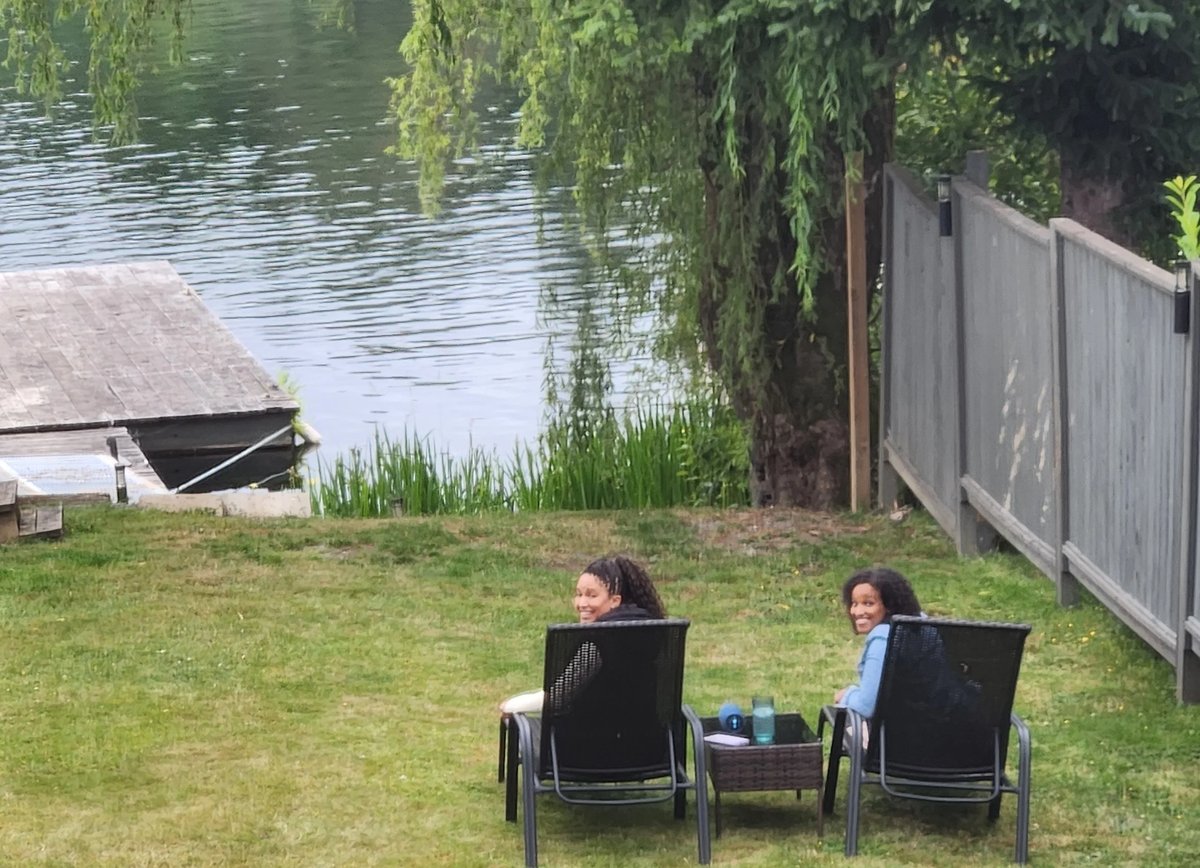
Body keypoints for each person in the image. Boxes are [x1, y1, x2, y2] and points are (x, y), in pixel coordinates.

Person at [499, 556, 666, 715]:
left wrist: (511, 706)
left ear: (615, 601)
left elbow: (558, 698)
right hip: (649, 741)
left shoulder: (598, 641)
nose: (582, 603)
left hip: (588, 741)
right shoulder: (656, 634)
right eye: (579, 594)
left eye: (592, 595)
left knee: (520, 724)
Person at [833, 566, 922, 720]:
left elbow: (867, 706)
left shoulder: (883, 639)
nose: (858, 611)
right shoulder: (923, 627)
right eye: (854, 603)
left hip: (897, 735)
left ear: (889, 606)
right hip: (940, 728)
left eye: (868, 603)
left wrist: (846, 695)